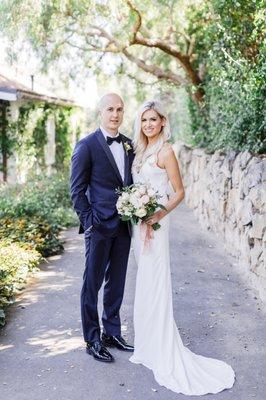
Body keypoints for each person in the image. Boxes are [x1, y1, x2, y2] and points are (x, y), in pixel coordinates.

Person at [129, 100, 235, 395]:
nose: (149, 124)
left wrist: (158, 214)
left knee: (156, 282)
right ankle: (147, 346)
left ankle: (161, 347)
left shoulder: (166, 151)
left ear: (163, 121)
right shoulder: (141, 151)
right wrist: (136, 209)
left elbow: (179, 192)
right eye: (144, 120)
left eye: (153, 119)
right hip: (140, 225)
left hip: (157, 225)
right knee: (144, 283)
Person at [70, 93, 135, 362]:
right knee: (92, 284)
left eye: (119, 109)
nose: (115, 114)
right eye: (110, 109)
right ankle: (93, 339)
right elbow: (76, 190)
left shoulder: (130, 145)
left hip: (123, 225)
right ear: (100, 112)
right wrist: (89, 222)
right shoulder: (86, 145)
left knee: (116, 283)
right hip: (98, 226)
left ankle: (112, 332)